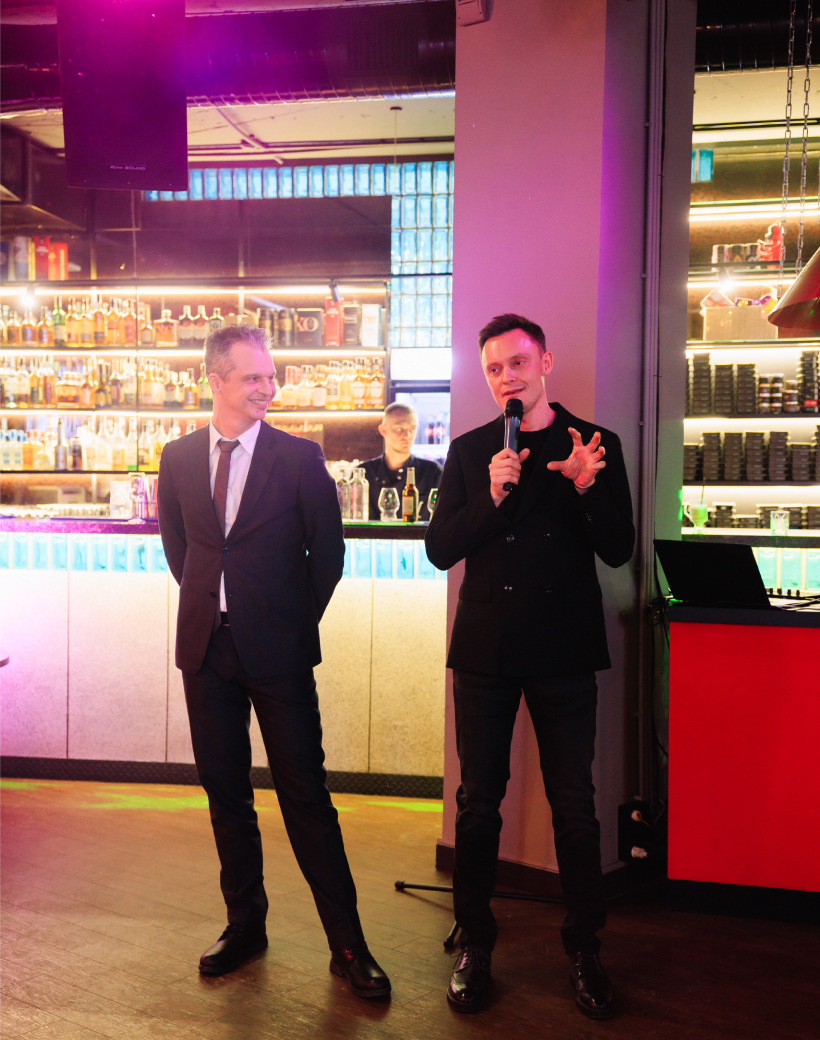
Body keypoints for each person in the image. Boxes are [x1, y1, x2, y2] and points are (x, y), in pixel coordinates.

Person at [157, 324, 390, 998]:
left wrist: (287, 623)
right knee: (225, 793)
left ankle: (347, 945)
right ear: (215, 380)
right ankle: (245, 926)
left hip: (279, 652)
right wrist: (213, 606)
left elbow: (329, 554)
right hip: (206, 648)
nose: (269, 387)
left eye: (271, 375)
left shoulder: (299, 457)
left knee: (306, 797)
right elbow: (182, 549)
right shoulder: (177, 457)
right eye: (253, 377)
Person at [425, 314, 634, 1019]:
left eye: (517, 362)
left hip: (563, 646)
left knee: (573, 802)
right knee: (478, 802)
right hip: (485, 649)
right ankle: (475, 943)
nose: (506, 378)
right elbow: (440, 550)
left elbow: (618, 549)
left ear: (545, 360)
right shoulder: (471, 451)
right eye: (494, 369)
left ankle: (585, 948)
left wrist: (585, 489)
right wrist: (490, 497)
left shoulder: (593, 444)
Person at [361, 403, 443, 520]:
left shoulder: (432, 472)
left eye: (412, 429)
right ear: (383, 430)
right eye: (399, 429)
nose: (407, 435)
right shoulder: (364, 474)